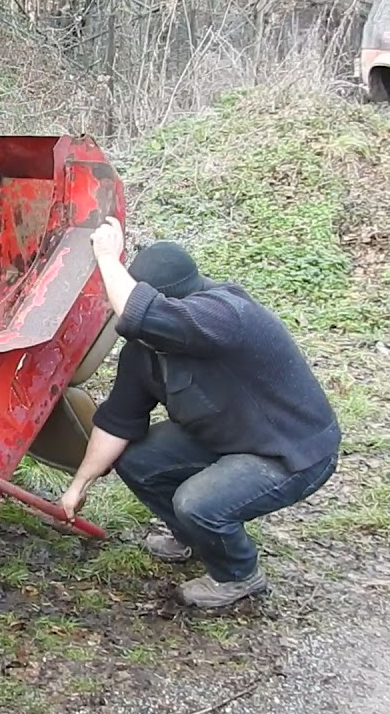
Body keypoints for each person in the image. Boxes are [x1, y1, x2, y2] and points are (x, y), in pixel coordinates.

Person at [59, 216, 341, 608]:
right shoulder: (145, 352)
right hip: (227, 436)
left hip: (290, 451)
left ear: (174, 303)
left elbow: (142, 312)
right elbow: (117, 423)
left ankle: (238, 575)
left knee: (198, 502)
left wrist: (107, 257)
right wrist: (79, 486)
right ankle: (193, 536)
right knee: (138, 459)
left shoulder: (224, 316)